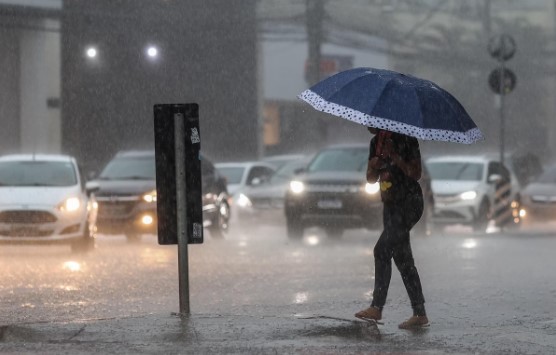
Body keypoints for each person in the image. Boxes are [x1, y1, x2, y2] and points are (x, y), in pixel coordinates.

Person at [355, 126, 429, 329]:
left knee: (382, 250)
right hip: (389, 203)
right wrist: (373, 165)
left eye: (372, 119)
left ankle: (377, 307)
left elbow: (416, 173)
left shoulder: (406, 139)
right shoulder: (374, 142)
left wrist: (395, 157)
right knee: (402, 257)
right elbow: (371, 178)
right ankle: (420, 313)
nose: (367, 124)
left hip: (408, 203)